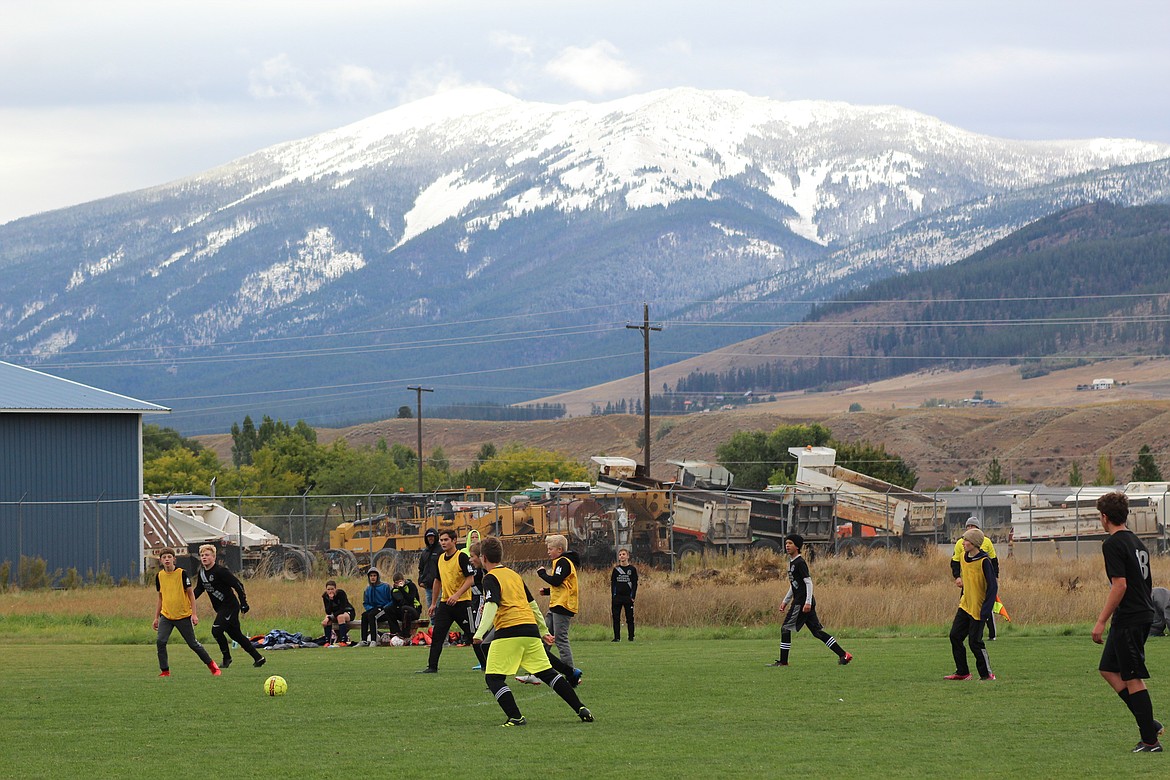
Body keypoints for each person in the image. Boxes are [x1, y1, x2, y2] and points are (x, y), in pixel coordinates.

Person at [472, 535, 593, 727]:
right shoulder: (514, 576)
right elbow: (532, 605)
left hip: (509, 631)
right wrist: (543, 630)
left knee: (493, 678)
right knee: (549, 674)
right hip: (530, 631)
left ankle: (516, 717)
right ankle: (581, 708)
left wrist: (479, 633)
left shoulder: (490, 578)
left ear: (484, 558)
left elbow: (491, 604)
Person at [1091, 491, 1164, 752]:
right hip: (1136, 614)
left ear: (1105, 517)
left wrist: (1101, 621)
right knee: (1108, 669)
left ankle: (1150, 741)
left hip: (1131, 617)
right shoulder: (1137, 542)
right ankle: (1149, 724)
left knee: (1133, 677)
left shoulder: (1112, 544)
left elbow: (1119, 585)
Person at [767, 534, 852, 668]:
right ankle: (843, 655)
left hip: (801, 602)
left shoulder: (800, 562)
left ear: (797, 546)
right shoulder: (791, 562)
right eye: (786, 543)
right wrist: (785, 601)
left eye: (790, 543)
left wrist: (807, 602)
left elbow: (808, 583)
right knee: (817, 632)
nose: (787, 546)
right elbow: (794, 584)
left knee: (785, 628)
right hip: (803, 601)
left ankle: (783, 662)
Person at [193, 544, 266, 668]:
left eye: (207, 555)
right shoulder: (202, 573)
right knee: (236, 635)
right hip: (220, 608)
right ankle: (258, 658)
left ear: (213, 557)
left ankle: (227, 658)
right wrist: (187, 601)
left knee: (216, 630)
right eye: (202, 555)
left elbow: (238, 585)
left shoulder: (221, 571)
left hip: (230, 607)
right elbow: (199, 589)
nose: (204, 557)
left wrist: (244, 603)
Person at [152, 548, 220, 677]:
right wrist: (156, 617)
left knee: (193, 644)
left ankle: (212, 666)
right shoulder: (159, 576)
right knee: (161, 642)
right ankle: (165, 671)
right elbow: (160, 597)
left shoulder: (182, 574)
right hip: (166, 615)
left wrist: (194, 614)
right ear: (161, 560)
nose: (167, 559)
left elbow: (191, 595)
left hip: (183, 615)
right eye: (164, 557)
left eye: (169, 557)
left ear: (174, 559)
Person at [417, 529, 475, 673]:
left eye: (446, 540)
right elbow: (437, 581)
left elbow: (470, 579)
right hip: (445, 604)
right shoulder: (440, 559)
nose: (443, 542)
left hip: (462, 603)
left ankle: (487, 665)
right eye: (441, 540)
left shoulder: (461, 557)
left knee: (474, 636)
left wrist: (457, 595)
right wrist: (433, 603)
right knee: (437, 635)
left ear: (454, 541)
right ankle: (432, 667)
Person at [944, 527, 996, 681]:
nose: (963, 543)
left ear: (974, 543)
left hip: (979, 608)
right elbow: (960, 571)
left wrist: (986, 610)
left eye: (966, 540)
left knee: (975, 642)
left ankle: (986, 675)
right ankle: (963, 672)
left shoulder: (984, 561)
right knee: (955, 636)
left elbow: (993, 587)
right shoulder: (962, 556)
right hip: (965, 605)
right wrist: (959, 580)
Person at [951, 517, 1000, 639]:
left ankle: (991, 634)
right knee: (967, 605)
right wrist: (957, 576)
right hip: (968, 582)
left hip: (982, 583)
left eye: (973, 527)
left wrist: (995, 577)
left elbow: (993, 560)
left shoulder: (986, 542)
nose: (970, 529)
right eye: (968, 527)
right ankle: (970, 633)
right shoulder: (960, 544)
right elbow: (955, 561)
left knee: (985, 609)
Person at [536, 534, 580, 668]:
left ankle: (571, 673)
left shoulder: (563, 562)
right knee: (545, 636)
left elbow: (556, 580)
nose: (548, 552)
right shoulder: (560, 562)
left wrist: (542, 574)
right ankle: (539, 671)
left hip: (563, 605)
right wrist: (548, 591)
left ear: (559, 550)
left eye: (550, 549)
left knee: (560, 639)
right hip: (556, 604)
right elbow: (562, 585)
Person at [610, 548, 638, 642]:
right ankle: (617, 637)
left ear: (628, 556)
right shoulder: (616, 570)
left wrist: (632, 596)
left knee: (630, 618)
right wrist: (613, 596)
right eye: (620, 554)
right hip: (617, 597)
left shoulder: (632, 569)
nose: (622, 556)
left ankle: (631, 637)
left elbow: (635, 584)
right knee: (616, 618)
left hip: (628, 598)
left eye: (623, 554)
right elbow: (613, 583)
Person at [360, 568, 393, 646]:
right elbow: (365, 603)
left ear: (378, 577)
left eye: (374, 575)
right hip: (373, 609)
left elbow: (392, 600)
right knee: (364, 616)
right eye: (371, 576)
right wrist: (370, 608)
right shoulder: (367, 589)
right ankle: (364, 640)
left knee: (372, 615)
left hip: (384, 610)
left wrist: (385, 607)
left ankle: (373, 640)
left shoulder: (386, 586)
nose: (373, 577)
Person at [321, 579, 357, 646]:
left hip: (347, 612)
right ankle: (327, 642)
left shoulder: (341, 593)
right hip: (335, 614)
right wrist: (331, 600)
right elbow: (328, 611)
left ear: (335, 589)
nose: (330, 591)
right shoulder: (325, 596)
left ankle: (343, 640)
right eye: (328, 589)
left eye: (332, 589)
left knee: (340, 617)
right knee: (327, 620)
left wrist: (329, 617)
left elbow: (342, 609)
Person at [389, 572, 422, 639]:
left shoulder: (411, 586)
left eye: (400, 582)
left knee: (405, 609)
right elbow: (399, 601)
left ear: (403, 580)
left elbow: (410, 600)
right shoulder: (394, 590)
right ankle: (395, 632)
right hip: (402, 610)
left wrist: (402, 589)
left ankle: (405, 635)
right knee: (388, 609)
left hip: (414, 610)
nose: (398, 584)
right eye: (396, 583)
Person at [418, 529, 442, 613]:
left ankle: (438, 625)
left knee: (438, 607)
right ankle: (433, 625)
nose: (430, 539)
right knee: (430, 607)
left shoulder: (441, 550)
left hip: (438, 585)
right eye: (429, 537)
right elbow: (421, 568)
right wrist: (420, 580)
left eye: (432, 537)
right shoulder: (425, 552)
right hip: (427, 586)